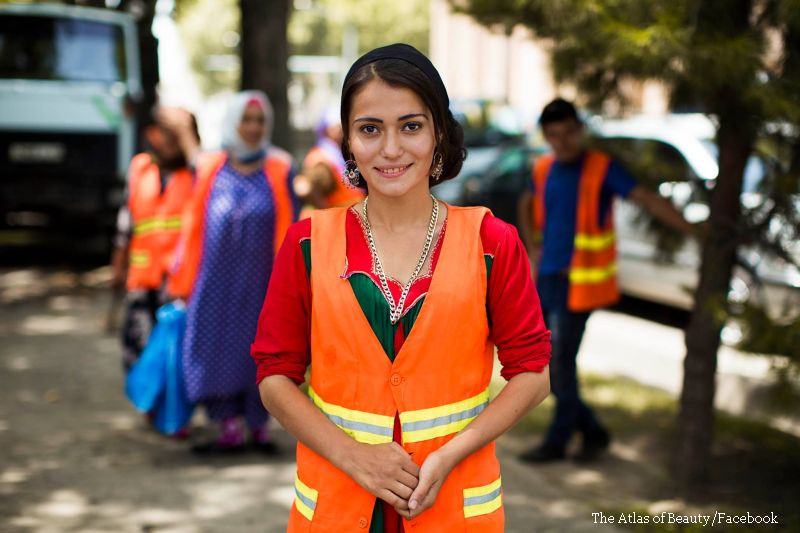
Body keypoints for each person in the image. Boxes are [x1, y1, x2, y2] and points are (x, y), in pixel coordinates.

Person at [251, 44, 551, 533]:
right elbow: (274, 377)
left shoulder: (492, 241)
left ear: (439, 133)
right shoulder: (306, 243)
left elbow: (534, 376)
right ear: (347, 140)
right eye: (370, 129)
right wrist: (353, 457)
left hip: (452, 508)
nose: (390, 149)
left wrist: (450, 454)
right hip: (337, 510)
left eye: (410, 126)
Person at [516, 98, 697, 463]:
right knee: (551, 365)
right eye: (554, 135)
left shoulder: (601, 169)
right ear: (546, 136)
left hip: (580, 285)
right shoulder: (544, 168)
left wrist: (694, 230)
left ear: (579, 130)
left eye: (568, 133)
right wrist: (531, 246)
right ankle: (593, 432)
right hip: (548, 279)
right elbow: (527, 202)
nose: (562, 141)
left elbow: (646, 198)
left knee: (560, 364)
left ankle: (559, 441)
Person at [167, 91, 298, 454]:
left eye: (260, 121)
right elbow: (191, 224)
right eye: (247, 120)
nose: (254, 128)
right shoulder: (210, 167)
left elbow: (294, 224)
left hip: (263, 283)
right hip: (215, 283)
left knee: (259, 350)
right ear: (233, 123)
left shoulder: (280, 168)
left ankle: (259, 425)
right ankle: (228, 425)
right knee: (214, 348)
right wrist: (180, 275)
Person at [111, 107, 199, 372]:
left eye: (177, 134)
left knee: (175, 364)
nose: (170, 140)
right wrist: (118, 269)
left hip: (181, 288)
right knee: (138, 356)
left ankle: (169, 413)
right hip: (142, 282)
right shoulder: (141, 167)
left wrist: (186, 134)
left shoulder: (199, 174)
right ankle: (150, 412)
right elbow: (126, 225)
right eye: (165, 132)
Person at [294, 106, 365, 215]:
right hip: (337, 217)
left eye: (341, 126)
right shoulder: (320, 157)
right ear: (326, 129)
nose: (340, 130)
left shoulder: (341, 153)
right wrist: (328, 214)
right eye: (336, 126)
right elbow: (309, 189)